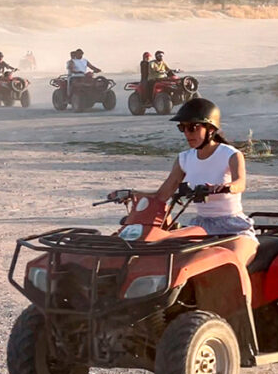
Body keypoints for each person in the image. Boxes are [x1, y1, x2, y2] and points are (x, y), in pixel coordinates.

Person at [109, 98, 258, 266]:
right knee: (165, 253)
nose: (187, 133)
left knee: (234, 263)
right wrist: (131, 194)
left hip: (233, 227)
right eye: (182, 128)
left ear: (210, 129)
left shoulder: (230, 154)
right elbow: (161, 195)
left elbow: (240, 183)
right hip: (201, 226)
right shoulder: (184, 159)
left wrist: (223, 187)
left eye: (192, 128)